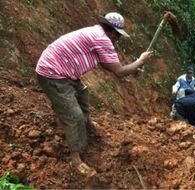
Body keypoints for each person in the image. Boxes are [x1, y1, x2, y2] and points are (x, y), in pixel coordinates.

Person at [36, 12, 152, 176]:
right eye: (118, 36)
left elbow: (107, 65)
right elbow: (119, 71)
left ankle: (87, 124)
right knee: (74, 116)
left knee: (82, 93)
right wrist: (140, 61)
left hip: (65, 71)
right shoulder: (102, 39)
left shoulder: (96, 32)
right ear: (113, 32)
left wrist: (134, 67)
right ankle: (76, 158)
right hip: (53, 73)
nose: (117, 40)